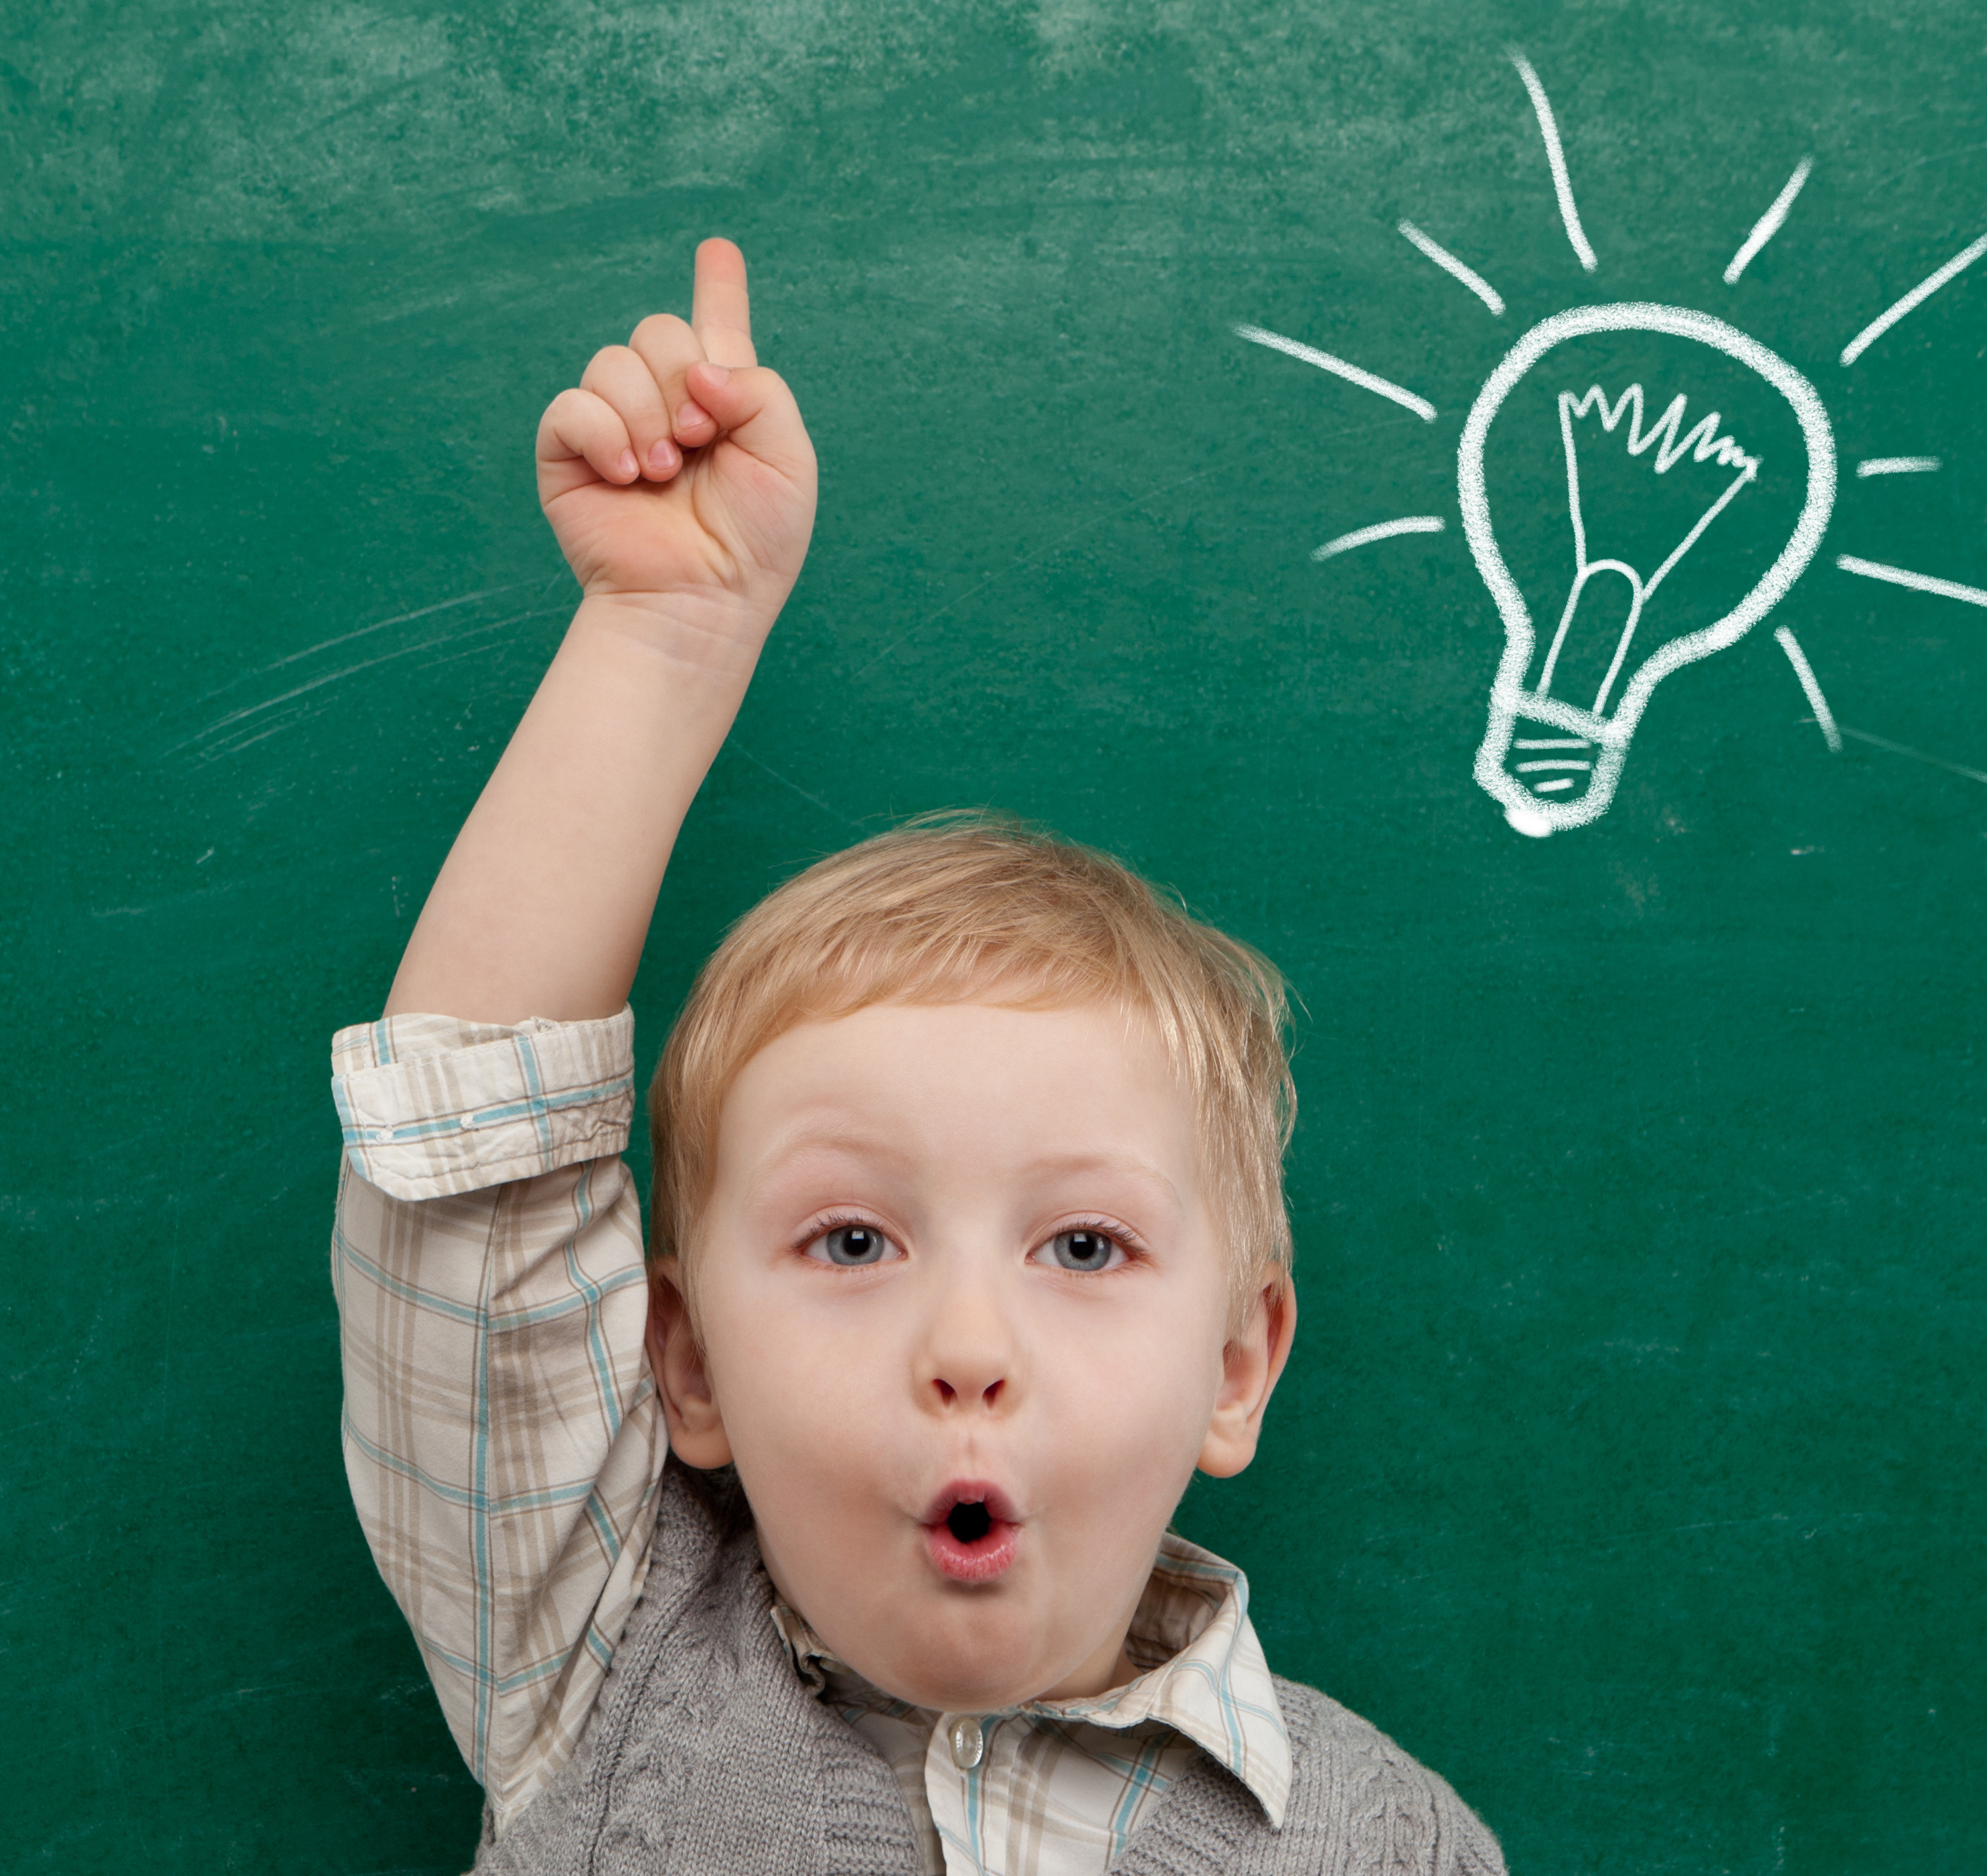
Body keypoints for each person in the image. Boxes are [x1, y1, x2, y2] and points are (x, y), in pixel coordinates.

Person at [330, 236, 1504, 1875]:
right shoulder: (604, 1658)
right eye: (852, 1240)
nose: (967, 1345)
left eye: (1085, 1245)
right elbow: (473, 1165)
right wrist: (666, 635)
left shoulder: (1391, 1846)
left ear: (1234, 1364)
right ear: (684, 1362)